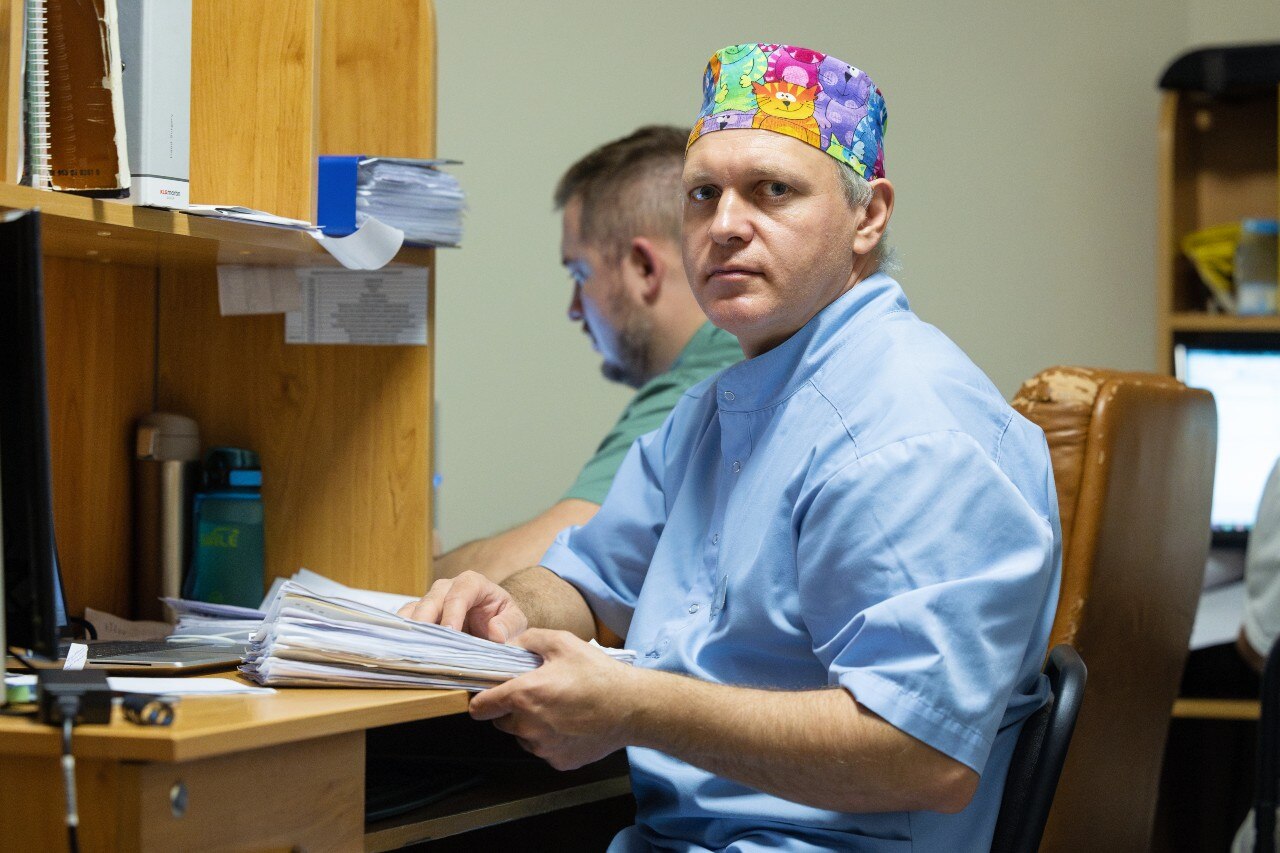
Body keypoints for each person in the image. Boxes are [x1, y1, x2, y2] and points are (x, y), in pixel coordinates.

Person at [401, 43, 1061, 851]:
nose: (724, 226)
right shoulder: (718, 412)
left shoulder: (910, 426)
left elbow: (921, 753)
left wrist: (635, 705)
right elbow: (592, 576)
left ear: (869, 215)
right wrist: (510, 606)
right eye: (702, 195)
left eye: (772, 191)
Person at [434, 126, 742, 584]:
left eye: (581, 272)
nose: (574, 309)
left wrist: (416, 565)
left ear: (644, 267)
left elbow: (546, 562)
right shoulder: (734, 356)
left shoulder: (704, 388)